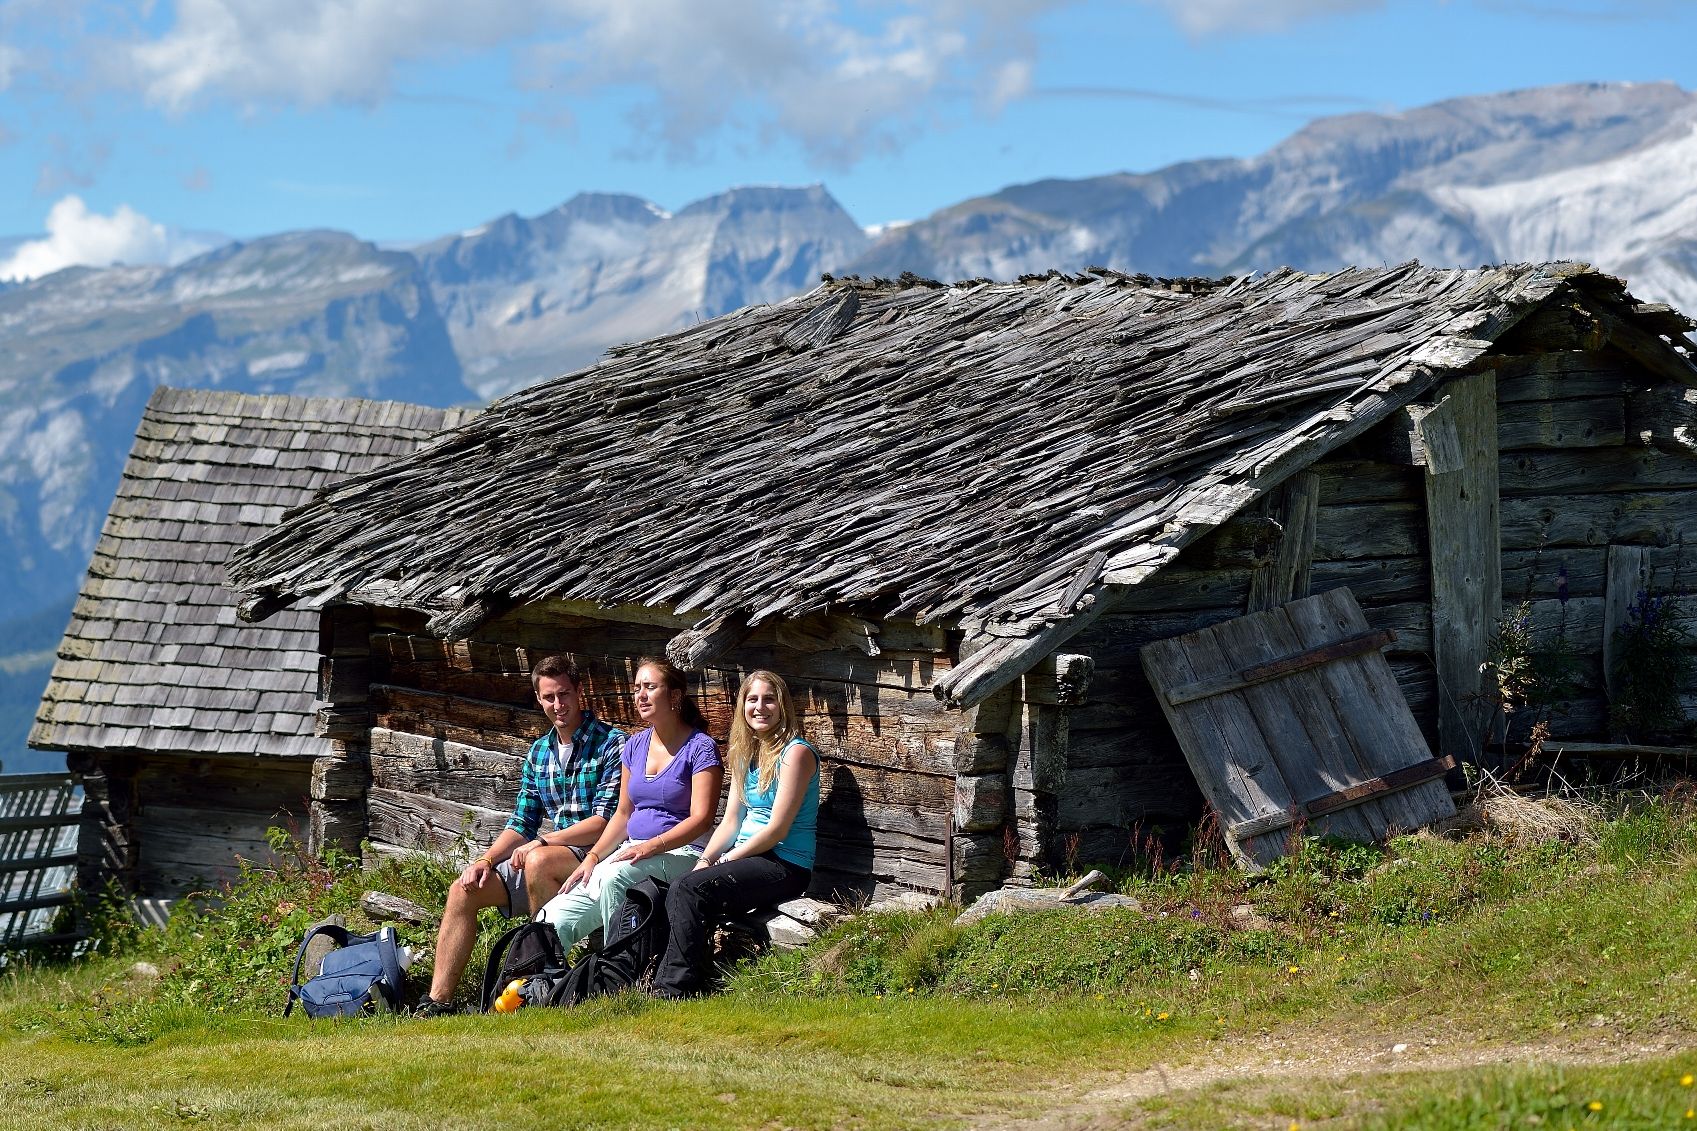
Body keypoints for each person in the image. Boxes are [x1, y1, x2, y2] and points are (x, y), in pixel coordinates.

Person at [414, 654, 623, 1015]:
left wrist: (543, 842)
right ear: (538, 700)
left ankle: (540, 982)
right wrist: (485, 859)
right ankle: (437, 1001)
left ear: (580, 692)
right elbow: (522, 821)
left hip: (597, 854)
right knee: (463, 889)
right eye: (549, 698)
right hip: (552, 854)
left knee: (538, 861)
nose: (559, 705)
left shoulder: (611, 743)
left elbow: (604, 822)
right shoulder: (540, 752)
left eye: (565, 694)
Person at [652, 669, 819, 999]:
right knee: (677, 887)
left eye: (769, 699)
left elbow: (777, 830)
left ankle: (673, 990)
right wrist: (706, 859)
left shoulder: (795, 754)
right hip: (748, 858)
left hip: (785, 864)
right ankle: (662, 975)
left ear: (783, 705)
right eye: (752, 699)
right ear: (742, 705)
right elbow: (731, 821)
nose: (760, 707)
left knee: (689, 890)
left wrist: (726, 860)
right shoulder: (746, 753)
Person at [537, 657, 723, 954]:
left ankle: (620, 971)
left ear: (674, 695)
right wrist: (594, 856)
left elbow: (702, 820)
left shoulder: (700, 747)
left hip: (684, 854)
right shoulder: (635, 746)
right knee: (551, 917)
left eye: (650, 687)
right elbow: (624, 813)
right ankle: (539, 983)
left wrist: (652, 846)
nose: (640, 695)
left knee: (614, 879)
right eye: (637, 688)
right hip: (633, 852)